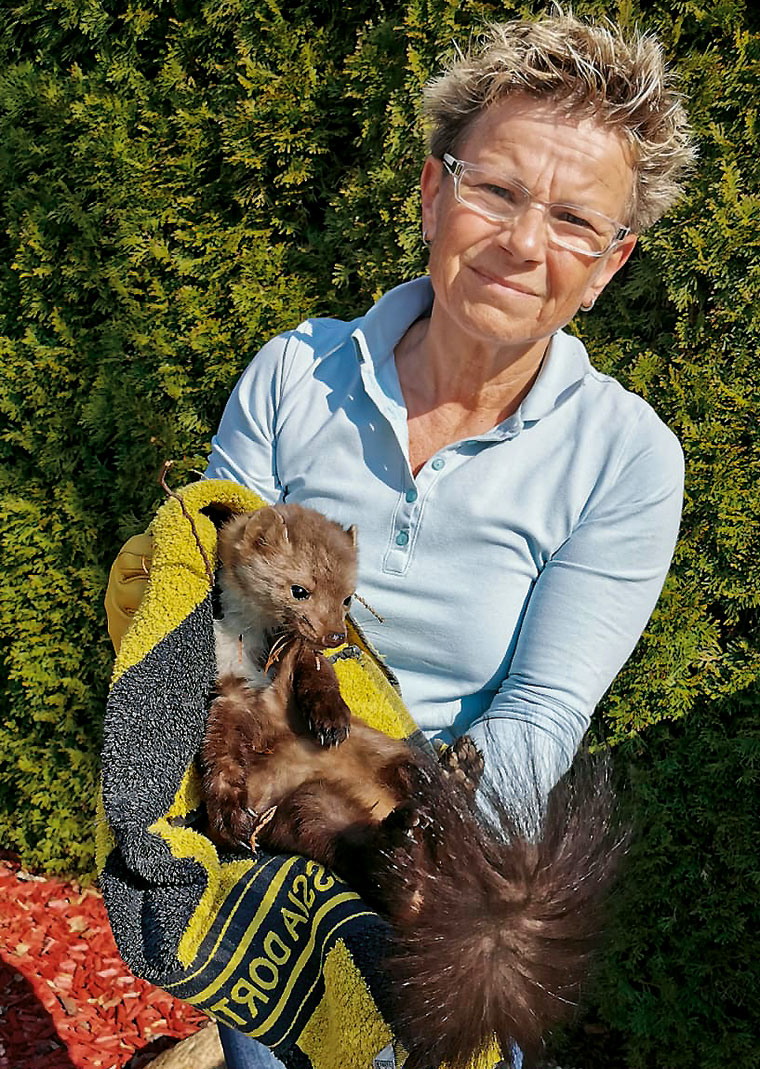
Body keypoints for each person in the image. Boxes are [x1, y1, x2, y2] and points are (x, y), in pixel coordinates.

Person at [107, 12, 694, 1069]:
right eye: (497, 189)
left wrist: (414, 849)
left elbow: (541, 707)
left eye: (572, 220)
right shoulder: (295, 374)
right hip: (267, 848)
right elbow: (213, 599)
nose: (523, 243)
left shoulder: (626, 460)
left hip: (435, 872)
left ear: (609, 262)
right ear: (433, 192)